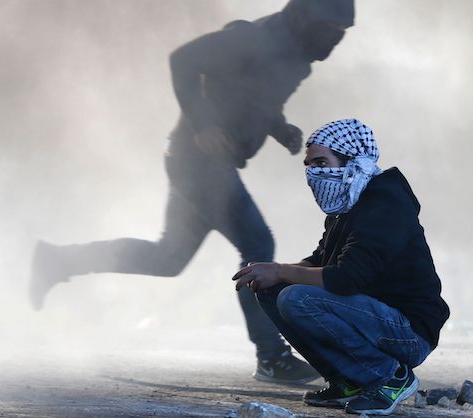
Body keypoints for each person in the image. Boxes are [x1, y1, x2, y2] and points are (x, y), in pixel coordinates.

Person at [29, 0, 355, 385]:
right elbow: (183, 59)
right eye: (329, 29)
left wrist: (280, 129)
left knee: (168, 257)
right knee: (257, 245)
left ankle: (58, 261)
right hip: (198, 162)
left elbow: (256, 100)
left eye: (341, 33)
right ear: (305, 18)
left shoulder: (295, 58)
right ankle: (271, 357)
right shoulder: (252, 38)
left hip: (203, 165)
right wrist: (202, 124)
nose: (333, 40)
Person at [231, 118, 450, 415]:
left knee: (297, 298)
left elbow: (346, 278)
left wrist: (282, 271)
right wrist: (272, 272)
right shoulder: (347, 204)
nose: (314, 173)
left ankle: (391, 377)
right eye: (309, 165)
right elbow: (320, 260)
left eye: (322, 163)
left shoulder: (385, 203)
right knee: (273, 291)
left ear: (353, 162)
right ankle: (348, 382)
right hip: (369, 318)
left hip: (407, 332)